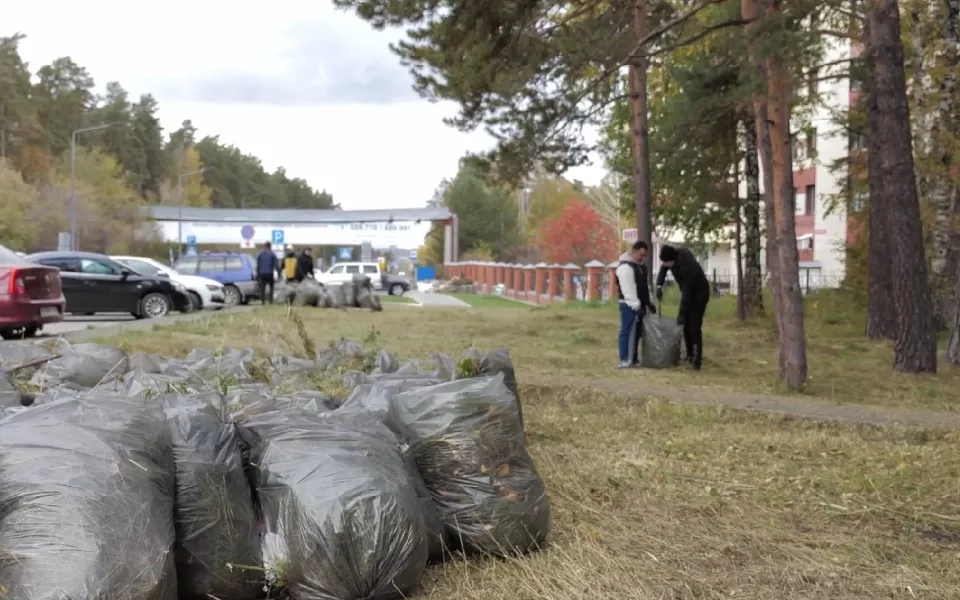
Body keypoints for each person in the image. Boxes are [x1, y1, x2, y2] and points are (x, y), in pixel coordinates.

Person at [655, 244, 710, 370]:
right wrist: (659, 285)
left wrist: (681, 313)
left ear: (672, 260)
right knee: (685, 325)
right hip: (688, 292)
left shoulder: (687, 266)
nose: (664, 264)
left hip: (699, 295)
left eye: (666, 262)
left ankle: (697, 359)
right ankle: (689, 355)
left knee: (694, 326)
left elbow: (687, 293)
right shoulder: (671, 258)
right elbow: (663, 270)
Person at [614, 241, 656, 368]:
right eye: (641, 255)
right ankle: (624, 359)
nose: (643, 258)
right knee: (627, 331)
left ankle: (633, 358)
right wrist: (636, 306)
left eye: (645, 256)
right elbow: (628, 289)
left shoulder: (640, 267)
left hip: (638, 304)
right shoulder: (625, 268)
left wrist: (650, 302)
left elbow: (645, 287)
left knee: (636, 333)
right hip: (628, 305)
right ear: (634, 251)